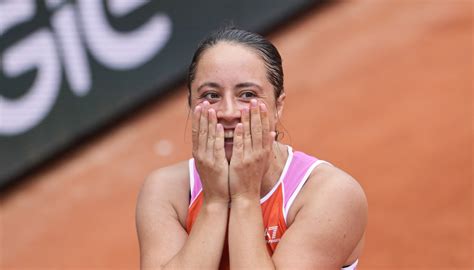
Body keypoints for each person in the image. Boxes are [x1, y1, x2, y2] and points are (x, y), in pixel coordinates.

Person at [136, 27, 368, 270]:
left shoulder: (330, 194)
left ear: (278, 106)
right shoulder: (166, 191)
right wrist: (214, 201)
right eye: (211, 95)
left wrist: (244, 197)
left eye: (247, 94)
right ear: (190, 105)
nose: (227, 112)